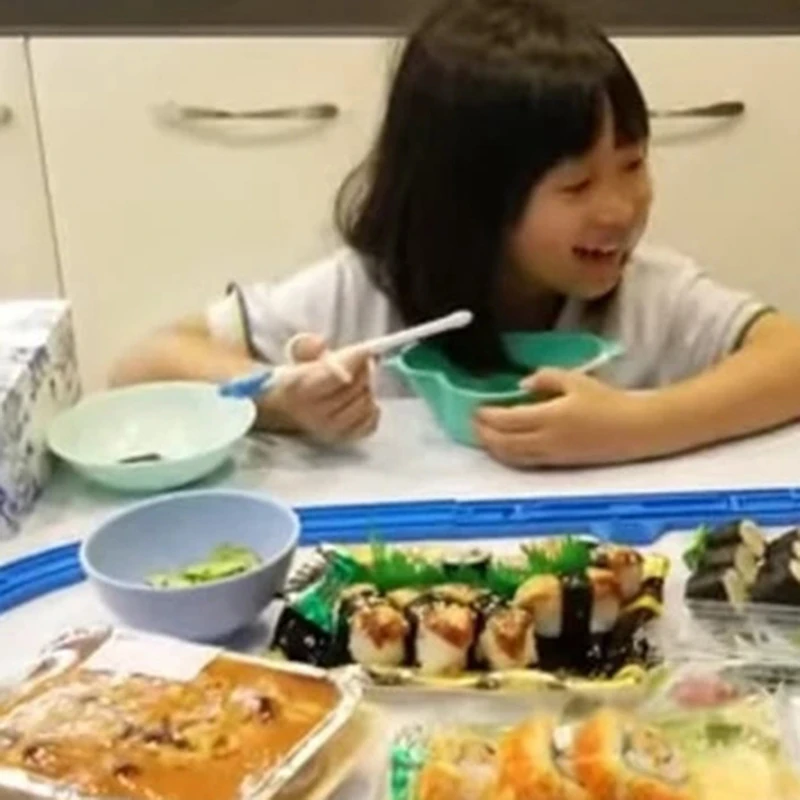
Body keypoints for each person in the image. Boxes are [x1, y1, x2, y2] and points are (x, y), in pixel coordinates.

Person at [111, 0, 800, 468]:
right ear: (469, 196)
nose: (621, 209)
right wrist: (281, 397)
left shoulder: (647, 295)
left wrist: (636, 427)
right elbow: (142, 367)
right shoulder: (363, 294)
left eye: (633, 164)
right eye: (577, 186)